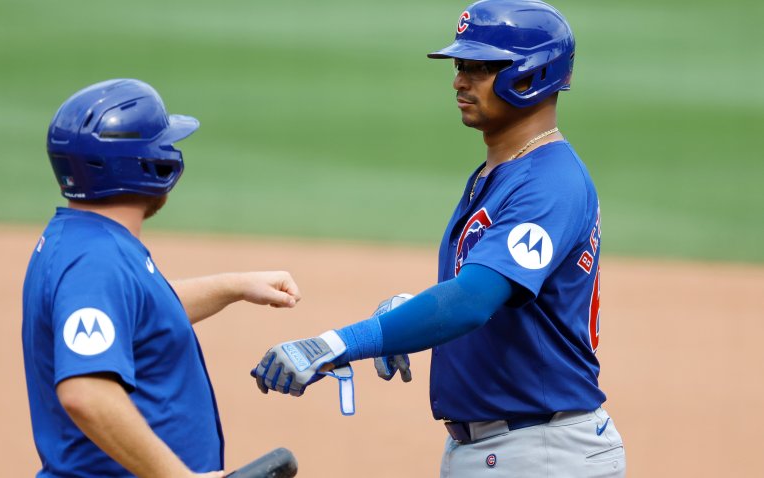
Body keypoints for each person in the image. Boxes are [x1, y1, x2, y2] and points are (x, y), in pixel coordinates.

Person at [250, 1, 626, 476]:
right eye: (459, 66)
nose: (459, 81)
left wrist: (336, 343)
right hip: (507, 447)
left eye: (479, 67)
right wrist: (411, 314)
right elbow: (501, 301)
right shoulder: (502, 172)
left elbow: (472, 301)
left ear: (533, 75)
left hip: (541, 451)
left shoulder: (550, 183)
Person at [22, 79, 302, 477]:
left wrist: (235, 286)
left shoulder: (84, 238)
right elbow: (85, 393)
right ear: (144, 163)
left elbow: (138, 314)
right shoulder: (94, 262)